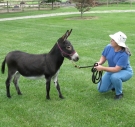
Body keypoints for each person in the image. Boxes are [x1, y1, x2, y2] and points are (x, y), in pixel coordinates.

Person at [95, 31, 133, 100]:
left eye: (113, 40)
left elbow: (117, 69)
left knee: (115, 77)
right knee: (101, 89)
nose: (111, 40)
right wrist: (99, 63)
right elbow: (104, 56)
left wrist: (102, 68)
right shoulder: (109, 47)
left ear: (118, 43)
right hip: (112, 70)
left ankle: (119, 93)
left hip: (125, 71)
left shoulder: (124, 54)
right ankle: (114, 85)